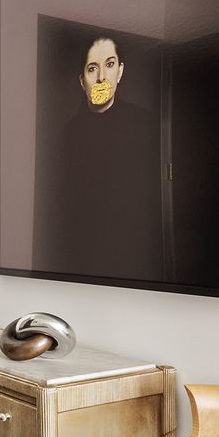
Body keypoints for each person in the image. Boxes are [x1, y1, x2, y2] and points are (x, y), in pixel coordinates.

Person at [32, 36, 163, 281]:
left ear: (120, 72)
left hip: (135, 256)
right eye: (93, 68)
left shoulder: (144, 122)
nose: (102, 77)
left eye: (110, 64)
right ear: (83, 81)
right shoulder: (67, 134)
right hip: (81, 257)